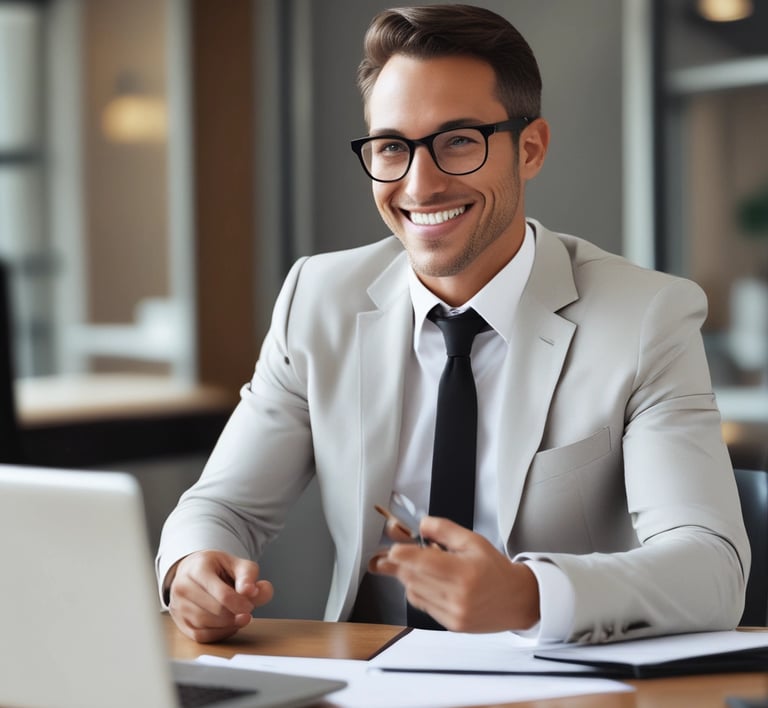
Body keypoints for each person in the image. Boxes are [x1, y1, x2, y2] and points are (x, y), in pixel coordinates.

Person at [157, 4, 749, 645]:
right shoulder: (318, 300)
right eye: (391, 147)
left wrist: (530, 595)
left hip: (559, 683)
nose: (420, 184)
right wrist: (194, 567)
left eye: (458, 141)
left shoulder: (645, 318)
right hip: (367, 679)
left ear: (530, 149)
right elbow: (224, 507)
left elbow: (711, 568)